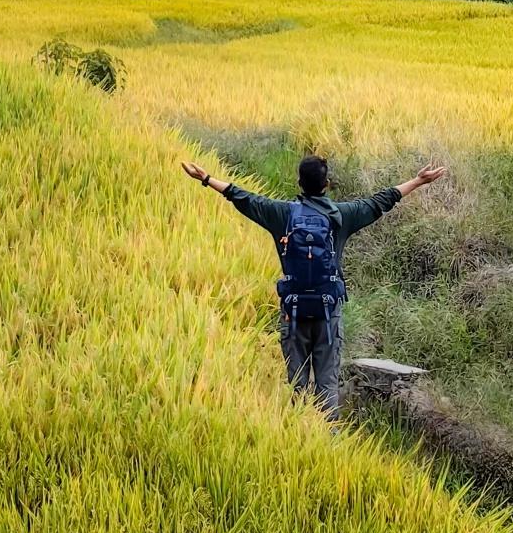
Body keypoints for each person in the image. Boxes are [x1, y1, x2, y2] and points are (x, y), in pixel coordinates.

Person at [182, 152, 445, 420]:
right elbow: (381, 201)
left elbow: (244, 198)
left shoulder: (282, 214)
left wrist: (206, 178)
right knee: (327, 384)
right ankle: (328, 439)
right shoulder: (342, 215)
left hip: (293, 312)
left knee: (297, 385)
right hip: (328, 312)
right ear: (326, 184)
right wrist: (417, 180)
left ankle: (299, 435)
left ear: (299, 182)